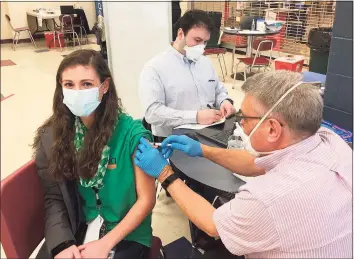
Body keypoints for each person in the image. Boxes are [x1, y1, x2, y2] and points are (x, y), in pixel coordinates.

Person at [134, 71, 353, 258]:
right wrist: (202, 150)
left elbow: (213, 225)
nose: (241, 124)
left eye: (245, 118)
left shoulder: (267, 199)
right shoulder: (329, 140)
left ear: (272, 129)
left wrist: (165, 174)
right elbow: (258, 164)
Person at [33, 49, 156, 259]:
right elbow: (55, 196)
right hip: (80, 224)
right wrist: (63, 243)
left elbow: (146, 199)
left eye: (87, 84)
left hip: (126, 233)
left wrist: (105, 243)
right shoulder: (55, 136)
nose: (77, 91)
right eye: (69, 85)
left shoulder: (132, 136)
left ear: (104, 87)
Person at [139, 9, 235, 139]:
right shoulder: (155, 68)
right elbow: (153, 113)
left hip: (210, 134)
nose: (201, 47)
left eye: (205, 42)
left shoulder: (205, 63)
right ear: (180, 34)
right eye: (197, 40)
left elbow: (218, 90)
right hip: (173, 139)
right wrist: (196, 117)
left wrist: (225, 101)